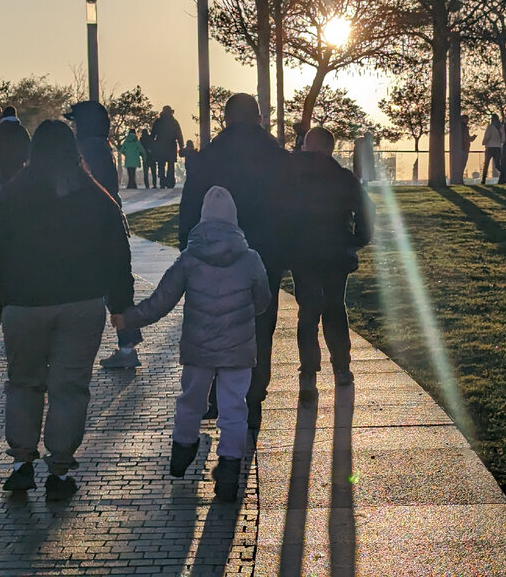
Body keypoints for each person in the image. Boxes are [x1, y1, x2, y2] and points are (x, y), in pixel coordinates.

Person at [0, 120, 133, 501]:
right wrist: (121, 306)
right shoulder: (96, 197)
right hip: (81, 304)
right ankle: (60, 468)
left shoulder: (12, 195)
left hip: (24, 304)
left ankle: (20, 463)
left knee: (23, 383)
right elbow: (117, 254)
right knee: (69, 388)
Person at [111, 186, 270, 503]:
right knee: (234, 408)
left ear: (203, 219)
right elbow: (263, 302)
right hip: (238, 348)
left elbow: (162, 301)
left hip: (198, 348)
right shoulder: (250, 259)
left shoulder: (189, 259)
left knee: (191, 401)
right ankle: (228, 469)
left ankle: (182, 452)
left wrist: (130, 318)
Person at [179, 93, 291, 430]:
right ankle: (253, 394)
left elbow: (189, 212)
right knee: (260, 325)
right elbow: (294, 211)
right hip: (264, 255)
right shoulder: (279, 158)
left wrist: (188, 251)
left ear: (226, 119)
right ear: (258, 118)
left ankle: (216, 394)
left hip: (212, 257)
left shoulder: (207, 158)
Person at [288, 128, 373, 403]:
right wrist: (355, 240)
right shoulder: (343, 178)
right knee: (335, 307)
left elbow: (280, 213)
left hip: (303, 253)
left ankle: (308, 374)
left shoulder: (293, 178)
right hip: (336, 253)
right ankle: (342, 368)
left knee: (308, 312)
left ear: (308, 146)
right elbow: (366, 213)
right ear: (331, 149)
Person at [66, 100, 145, 370]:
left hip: (94, 227)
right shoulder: (101, 147)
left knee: (99, 289)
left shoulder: (87, 149)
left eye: (75, 121)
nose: (73, 126)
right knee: (117, 286)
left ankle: (121, 347)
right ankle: (127, 345)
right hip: (109, 223)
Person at [0, 106, 30, 188]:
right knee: (18, 183)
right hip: (18, 161)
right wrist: (24, 158)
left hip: (2, 162)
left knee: (4, 183)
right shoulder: (21, 129)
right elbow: (28, 145)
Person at [151, 106, 183, 188]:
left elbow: (153, 135)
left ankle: (162, 181)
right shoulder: (174, 122)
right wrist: (181, 147)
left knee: (161, 165)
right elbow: (179, 136)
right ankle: (170, 182)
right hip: (171, 146)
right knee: (171, 165)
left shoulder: (158, 122)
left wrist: (152, 146)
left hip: (160, 146)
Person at [481, 114, 503, 184]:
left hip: (489, 147)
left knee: (486, 164)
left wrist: (484, 142)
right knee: (497, 164)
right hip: (498, 147)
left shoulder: (490, 127)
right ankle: (503, 174)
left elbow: (487, 136)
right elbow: (503, 139)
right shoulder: (501, 127)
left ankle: (483, 179)